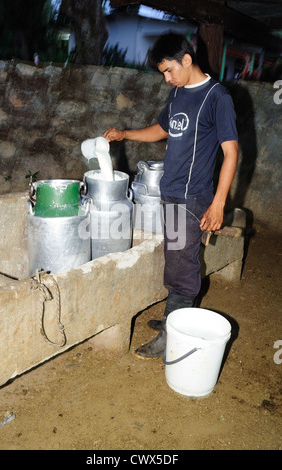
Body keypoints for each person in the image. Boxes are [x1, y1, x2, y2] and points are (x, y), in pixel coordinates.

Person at [103, 33, 239, 360]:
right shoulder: (178, 94)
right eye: (163, 72)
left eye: (169, 70)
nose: (167, 78)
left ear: (187, 60)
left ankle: (171, 334)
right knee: (176, 259)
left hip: (191, 198)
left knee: (182, 268)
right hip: (171, 194)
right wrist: (125, 134)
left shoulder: (217, 97)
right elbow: (161, 129)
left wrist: (218, 202)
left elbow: (231, 152)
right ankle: (172, 318)